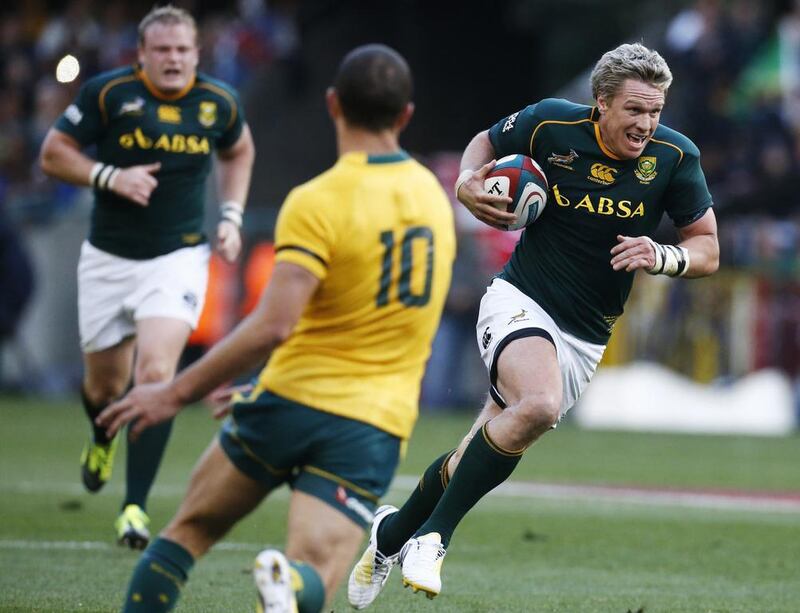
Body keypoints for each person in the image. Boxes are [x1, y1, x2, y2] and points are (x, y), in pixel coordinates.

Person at [346, 42, 720, 607]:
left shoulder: (673, 157)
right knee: (539, 406)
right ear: (600, 103)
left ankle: (390, 535)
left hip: (586, 335)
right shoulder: (550, 123)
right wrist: (468, 181)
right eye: (635, 110)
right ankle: (432, 538)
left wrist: (662, 255)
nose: (646, 124)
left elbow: (709, 249)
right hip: (519, 298)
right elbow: (486, 143)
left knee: (483, 446)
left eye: (656, 111)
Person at [96, 43, 456, 613]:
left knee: (185, 535)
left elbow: (274, 325)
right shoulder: (435, 202)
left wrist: (175, 391)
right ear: (406, 115)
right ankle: (285, 587)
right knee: (316, 570)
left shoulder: (317, 200)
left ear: (333, 105)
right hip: (369, 423)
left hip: (287, 399)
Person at [38, 5, 255, 549]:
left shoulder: (217, 102)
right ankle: (100, 435)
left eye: (183, 50)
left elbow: (239, 149)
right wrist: (108, 175)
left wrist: (230, 216)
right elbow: (53, 153)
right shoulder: (108, 95)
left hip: (177, 258)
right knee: (104, 387)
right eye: (163, 50)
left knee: (155, 371)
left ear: (197, 54)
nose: (174, 59)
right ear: (141, 55)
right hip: (109, 259)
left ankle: (133, 507)